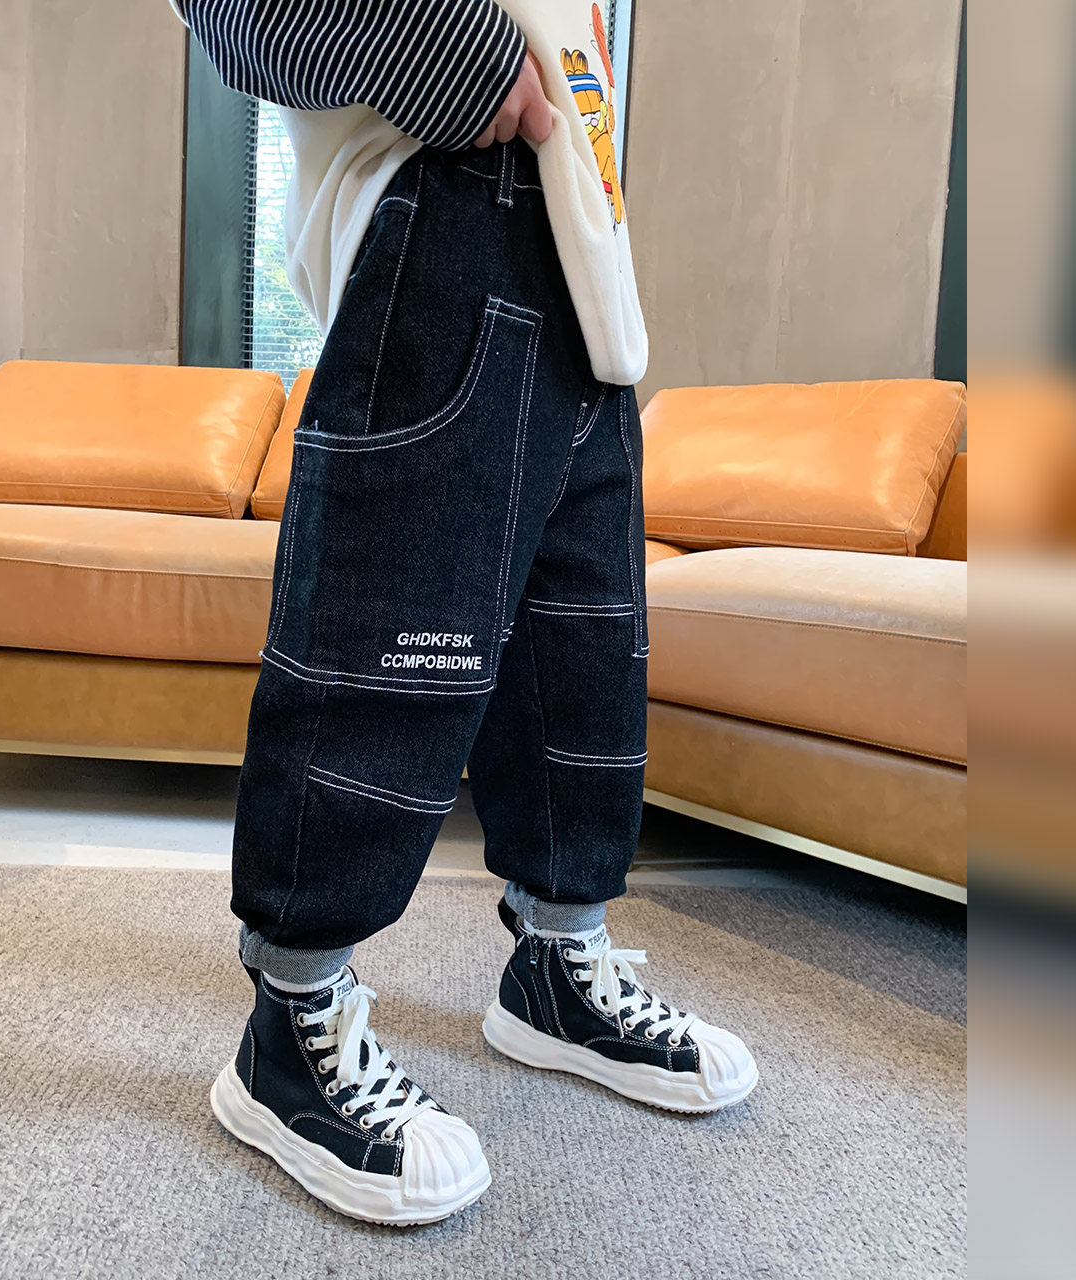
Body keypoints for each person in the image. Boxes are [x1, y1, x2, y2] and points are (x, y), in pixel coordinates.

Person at [167, 0, 757, 1225]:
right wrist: (457, 57)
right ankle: (287, 1027)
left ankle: (557, 968)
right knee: (382, 648)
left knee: (581, 663)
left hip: (585, 267)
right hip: (439, 209)